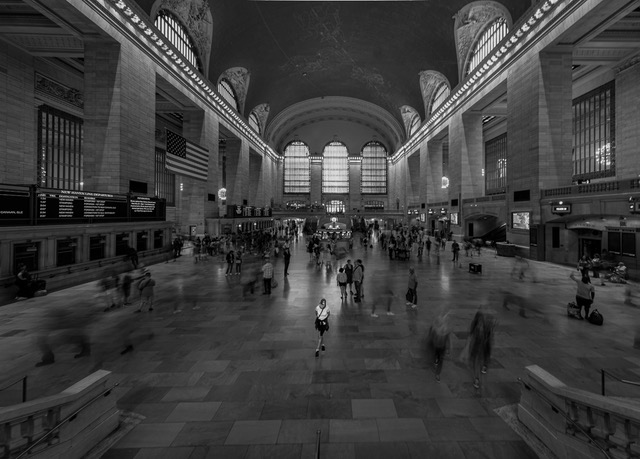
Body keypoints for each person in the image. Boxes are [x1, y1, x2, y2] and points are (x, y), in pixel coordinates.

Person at [428, 311, 452, 382]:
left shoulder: (446, 329)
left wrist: (449, 347)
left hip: (442, 347)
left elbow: (448, 338)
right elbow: (430, 335)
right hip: (435, 345)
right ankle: (435, 360)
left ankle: (438, 373)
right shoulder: (434, 326)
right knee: (435, 356)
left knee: (441, 360)